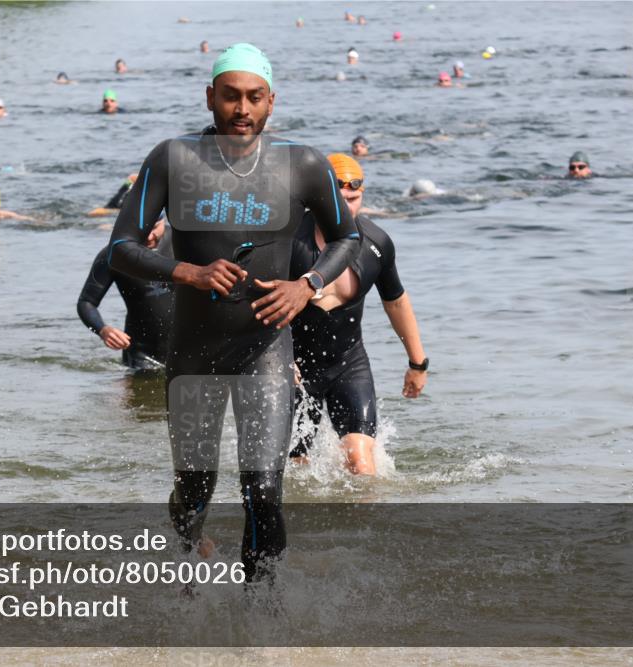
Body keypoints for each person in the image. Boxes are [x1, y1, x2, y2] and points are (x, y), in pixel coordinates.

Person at [107, 43, 359, 583]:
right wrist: (187, 273)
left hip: (265, 348)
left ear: (272, 103)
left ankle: (259, 616)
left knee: (264, 490)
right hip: (194, 349)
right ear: (209, 99)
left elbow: (349, 237)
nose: (241, 109)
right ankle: (187, 568)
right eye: (230, 97)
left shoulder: (304, 164)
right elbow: (121, 247)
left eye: (253, 97)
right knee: (195, 489)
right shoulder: (173, 159)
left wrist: (308, 284)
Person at [290, 154, 428, 475]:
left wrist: (417, 363)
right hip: (294, 368)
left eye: (354, 199)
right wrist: (279, 356)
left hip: (348, 365)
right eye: (340, 200)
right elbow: (260, 299)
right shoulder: (288, 240)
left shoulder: (376, 243)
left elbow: (396, 301)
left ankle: (366, 524)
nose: (348, 209)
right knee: (296, 470)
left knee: (361, 464)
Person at [78, 220, 174, 370]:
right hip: (141, 357)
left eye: (154, 227)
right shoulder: (114, 254)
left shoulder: (182, 242)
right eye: (142, 230)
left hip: (186, 349)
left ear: (163, 220)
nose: (149, 236)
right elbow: (86, 302)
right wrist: (103, 330)